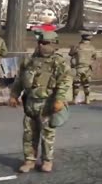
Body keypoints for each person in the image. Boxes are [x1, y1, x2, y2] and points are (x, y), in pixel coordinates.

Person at [8, 31, 72, 173]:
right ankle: (29, 160)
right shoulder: (29, 60)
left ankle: (47, 161)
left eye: (45, 43)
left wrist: (60, 99)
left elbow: (65, 81)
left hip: (48, 104)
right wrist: (14, 95)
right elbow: (20, 80)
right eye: (40, 43)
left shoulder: (59, 62)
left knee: (47, 135)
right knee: (29, 134)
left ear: (54, 44)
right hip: (30, 104)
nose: (41, 46)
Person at [69, 31, 96, 104]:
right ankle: (87, 99)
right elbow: (94, 57)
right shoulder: (92, 48)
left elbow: (70, 54)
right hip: (87, 68)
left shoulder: (77, 46)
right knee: (86, 84)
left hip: (78, 68)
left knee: (76, 85)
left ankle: (74, 99)